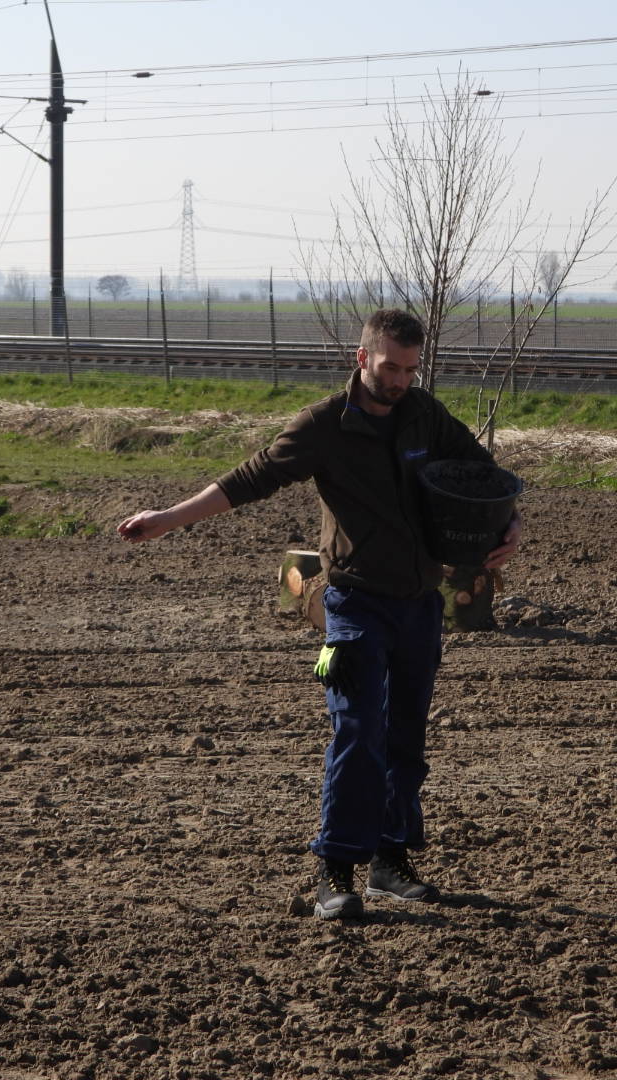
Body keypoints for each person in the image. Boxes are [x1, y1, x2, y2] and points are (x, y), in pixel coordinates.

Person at [118, 309, 521, 920]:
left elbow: (484, 474)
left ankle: (390, 861)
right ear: (362, 359)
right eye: (391, 367)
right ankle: (335, 872)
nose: (402, 379)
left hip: (419, 605)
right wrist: (168, 518)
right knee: (358, 732)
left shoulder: (424, 414)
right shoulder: (324, 425)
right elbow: (251, 477)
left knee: (405, 738)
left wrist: (510, 523)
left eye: (411, 368)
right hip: (355, 604)